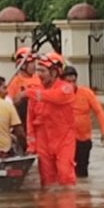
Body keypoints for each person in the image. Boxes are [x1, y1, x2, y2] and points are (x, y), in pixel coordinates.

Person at [25, 52, 77, 188]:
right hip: (43, 140)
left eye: (43, 71)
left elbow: (55, 97)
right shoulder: (35, 91)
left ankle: (67, 207)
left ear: (55, 72)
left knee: (66, 177)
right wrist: (31, 144)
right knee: (47, 181)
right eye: (38, 70)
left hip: (64, 139)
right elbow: (30, 121)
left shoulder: (66, 88)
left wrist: (28, 93)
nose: (39, 74)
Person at [62, 66, 104, 178]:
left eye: (73, 81)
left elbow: (99, 112)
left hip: (83, 139)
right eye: (68, 82)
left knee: (82, 172)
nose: (71, 84)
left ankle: (83, 194)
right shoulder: (59, 95)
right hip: (66, 140)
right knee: (66, 172)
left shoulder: (86, 93)